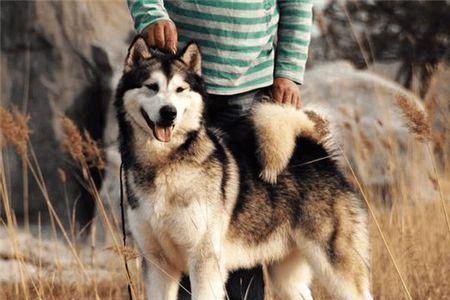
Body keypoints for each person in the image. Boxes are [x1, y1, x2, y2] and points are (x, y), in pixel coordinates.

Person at [127, 1, 313, 299]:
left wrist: (288, 70)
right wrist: (150, 15)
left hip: (249, 89)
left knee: (239, 236)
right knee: (169, 235)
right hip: (174, 84)